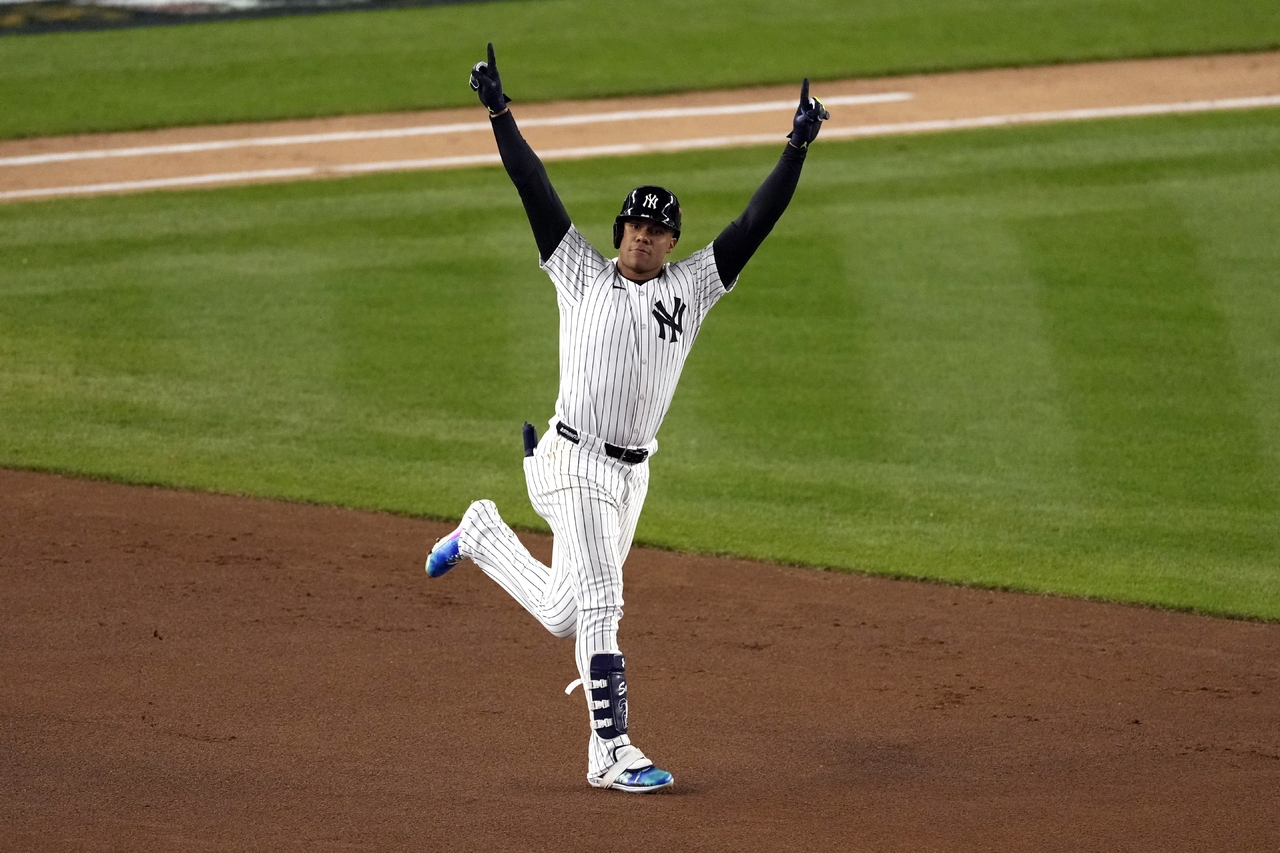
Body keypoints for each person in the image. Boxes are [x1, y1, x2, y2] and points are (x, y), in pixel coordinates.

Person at [425, 43, 828, 793]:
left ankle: (481, 532)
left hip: (630, 477)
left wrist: (796, 147)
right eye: (634, 225)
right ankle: (609, 751)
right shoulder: (577, 271)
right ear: (619, 232)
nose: (643, 235)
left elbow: (755, 220)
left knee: (565, 613)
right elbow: (532, 184)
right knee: (605, 601)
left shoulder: (694, 289)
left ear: (673, 241)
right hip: (572, 459)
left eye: (656, 229)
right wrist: (499, 112)